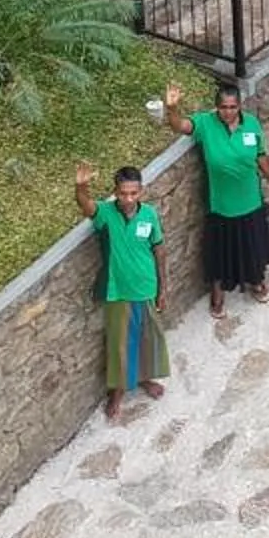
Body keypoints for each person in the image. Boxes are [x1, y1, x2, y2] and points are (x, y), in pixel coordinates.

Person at [162, 78, 269, 315]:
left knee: (252, 248)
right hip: (222, 205)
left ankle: (256, 281)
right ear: (216, 107)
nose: (228, 112)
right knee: (220, 253)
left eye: (233, 107)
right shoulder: (205, 124)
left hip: (250, 201)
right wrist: (172, 109)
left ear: (239, 106)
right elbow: (180, 126)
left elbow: (261, 157)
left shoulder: (251, 125)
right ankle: (218, 294)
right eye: (223, 107)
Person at [72, 162, 168, 419]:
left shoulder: (149, 215)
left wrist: (162, 288)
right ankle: (117, 392)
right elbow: (86, 205)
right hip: (118, 291)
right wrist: (81, 187)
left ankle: (145, 378)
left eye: (133, 193)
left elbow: (159, 250)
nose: (128, 199)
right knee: (120, 345)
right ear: (115, 191)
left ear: (141, 191)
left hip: (146, 287)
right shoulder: (105, 214)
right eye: (123, 193)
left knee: (147, 339)